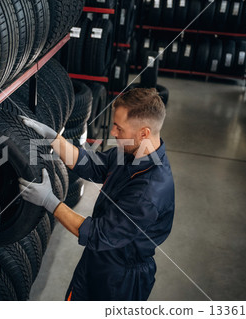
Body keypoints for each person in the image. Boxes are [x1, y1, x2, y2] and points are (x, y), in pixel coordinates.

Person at [18, 88, 175, 301]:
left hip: (119, 281)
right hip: (101, 260)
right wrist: (54, 139)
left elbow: (98, 234)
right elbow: (93, 165)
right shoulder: (132, 151)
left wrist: (50, 201)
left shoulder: (148, 193)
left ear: (144, 133)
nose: (113, 132)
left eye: (119, 128)